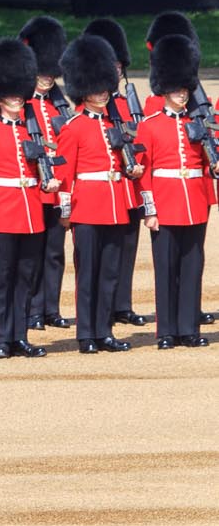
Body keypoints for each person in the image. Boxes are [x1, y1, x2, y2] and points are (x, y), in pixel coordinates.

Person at [54, 34, 139, 354]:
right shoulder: (73, 127)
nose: (102, 93)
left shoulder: (114, 122)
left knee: (110, 272)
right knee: (88, 272)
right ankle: (86, 333)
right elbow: (64, 175)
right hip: (87, 207)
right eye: (95, 88)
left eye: (104, 87)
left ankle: (105, 331)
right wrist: (65, 211)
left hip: (116, 204)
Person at [0, 39, 59, 358]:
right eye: (9, 94)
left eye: (18, 93)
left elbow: (41, 172)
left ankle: (20, 334)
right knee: (4, 276)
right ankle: (2, 338)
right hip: (3, 212)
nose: (15, 98)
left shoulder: (30, 133)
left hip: (31, 212)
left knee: (26, 276)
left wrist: (48, 183)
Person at [136, 33, 212, 348]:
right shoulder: (150, 124)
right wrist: (150, 210)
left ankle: (189, 329)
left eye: (185, 90)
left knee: (192, 267)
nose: (182, 95)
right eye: (176, 90)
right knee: (166, 269)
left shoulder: (198, 124)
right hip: (165, 204)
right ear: (164, 89)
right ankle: (167, 330)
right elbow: (145, 172)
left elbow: (206, 165)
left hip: (194, 201)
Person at [18, 17, 72, 330]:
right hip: (33, 187)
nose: (47, 79)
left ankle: (50, 307)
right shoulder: (22, 106)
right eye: (42, 73)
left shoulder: (57, 106)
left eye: (51, 73)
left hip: (57, 186)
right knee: (33, 253)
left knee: (54, 252)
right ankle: (32, 309)